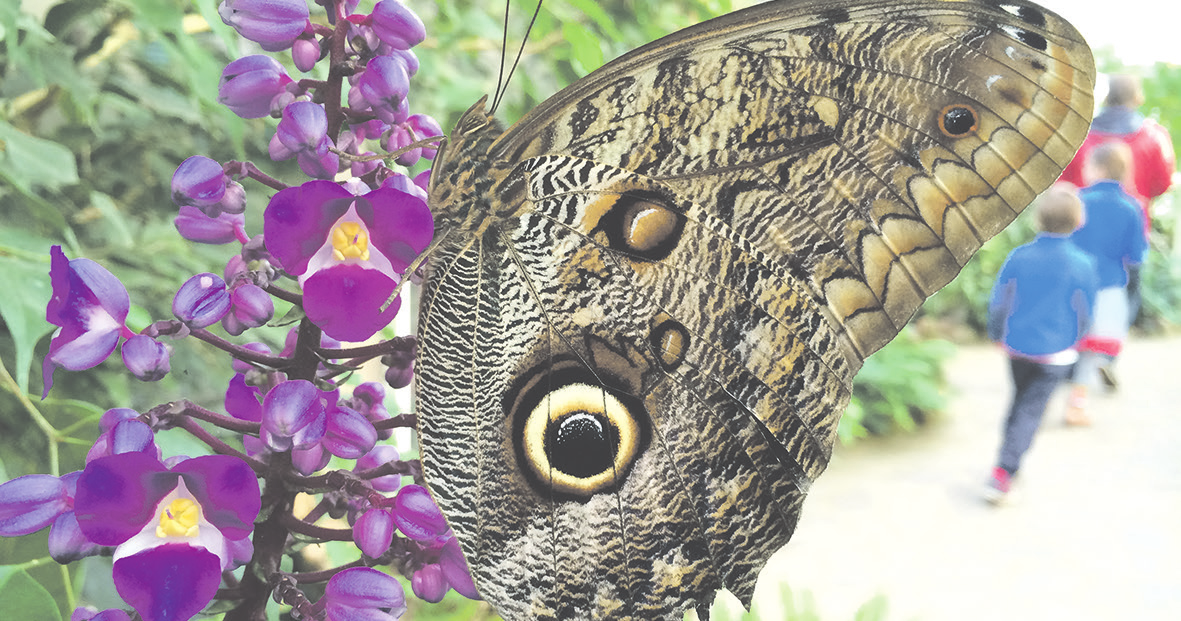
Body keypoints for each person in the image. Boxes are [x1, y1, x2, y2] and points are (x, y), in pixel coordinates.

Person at [985, 185, 1097, 504]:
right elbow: (1086, 312)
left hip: (1017, 347)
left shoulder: (1019, 256)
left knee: (1020, 402)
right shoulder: (1082, 263)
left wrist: (995, 333)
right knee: (1030, 412)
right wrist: (1078, 340)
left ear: (1038, 218)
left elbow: (999, 301)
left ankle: (1007, 463)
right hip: (1057, 353)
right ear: (1078, 220)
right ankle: (1004, 472)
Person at [1059, 74, 1174, 348]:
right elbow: (1163, 183)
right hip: (1132, 223)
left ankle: (1079, 343)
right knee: (1126, 288)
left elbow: (1063, 177)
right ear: (1137, 98)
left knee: (1076, 286)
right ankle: (1109, 347)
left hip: (1079, 225)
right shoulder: (1153, 136)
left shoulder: (1081, 135)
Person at [1064, 142, 1149, 425]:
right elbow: (1136, 255)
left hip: (1076, 282)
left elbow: (1065, 240)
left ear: (1099, 168)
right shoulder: (1132, 206)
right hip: (1111, 284)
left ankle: (1073, 391)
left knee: (1077, 339)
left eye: (1087, 166)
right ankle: (1083, 392)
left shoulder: (1078, 200)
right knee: (1097, 342)